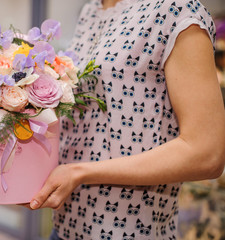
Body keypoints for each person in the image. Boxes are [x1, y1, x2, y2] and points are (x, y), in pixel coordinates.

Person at [27, 0, 225, 239]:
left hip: (132, 232)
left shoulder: (176, 9)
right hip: (65, 228)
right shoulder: (92, 10)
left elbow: (207, 154)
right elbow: (87, 121)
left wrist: (79, 172)